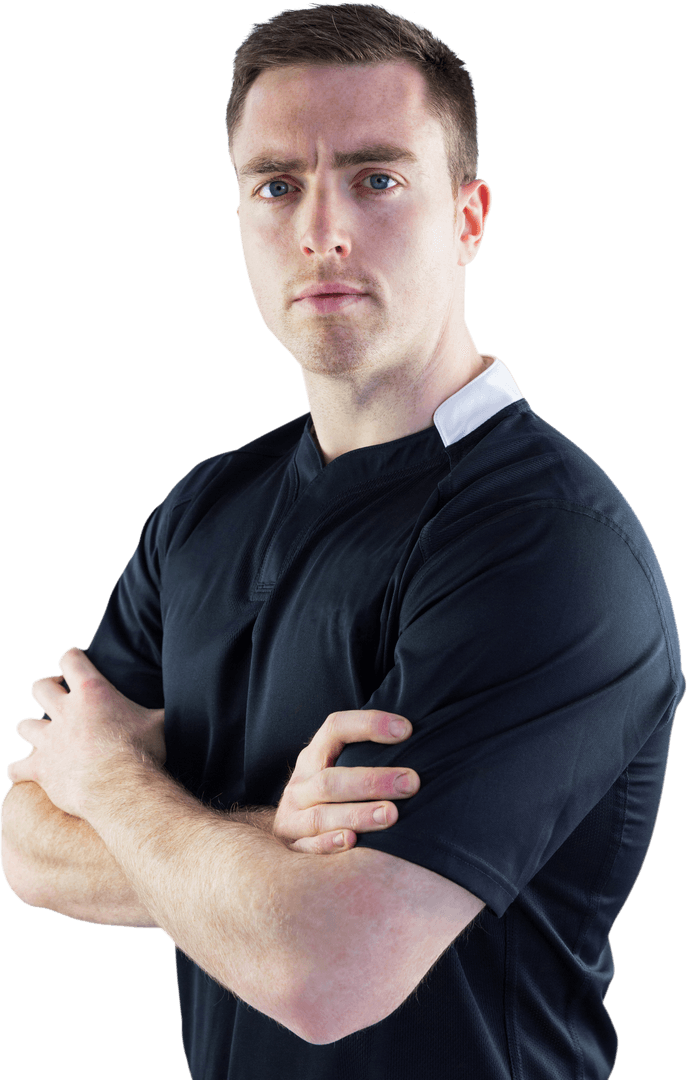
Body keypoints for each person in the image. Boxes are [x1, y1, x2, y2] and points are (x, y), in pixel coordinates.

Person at [2, 4, 684, 1079]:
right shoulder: (203, 509)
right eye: (277, 185)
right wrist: (272, 843)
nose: (322, 230)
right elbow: (29, 844)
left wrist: (118, 786)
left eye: (376, 178)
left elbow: (326, 969)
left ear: (468, 218)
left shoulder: (548, 547)